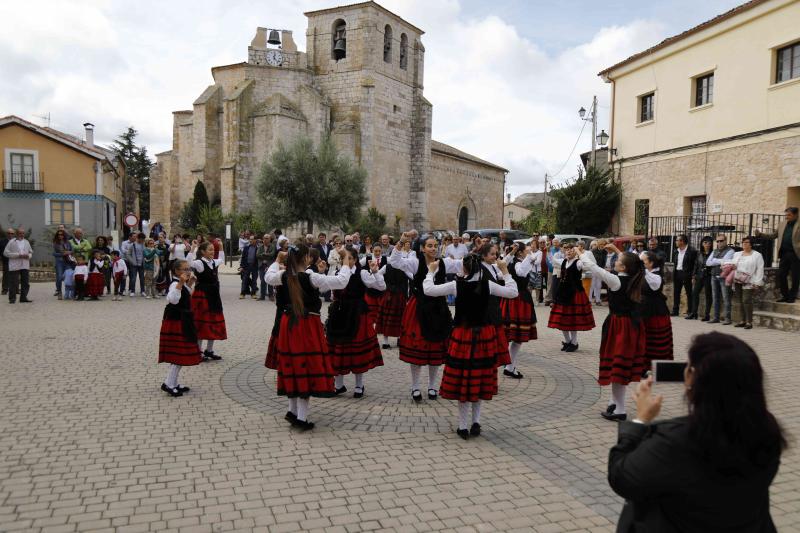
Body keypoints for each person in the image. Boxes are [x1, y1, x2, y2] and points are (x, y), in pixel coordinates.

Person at [608, 332, 786, 532]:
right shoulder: (767, 430)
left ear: (693, 378)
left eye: (689, 367)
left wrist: (640, 420)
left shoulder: (675, 440)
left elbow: (622, 477)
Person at [423, 252, 517, 439]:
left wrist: (430, 272)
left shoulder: (456, 285)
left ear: (465, 268)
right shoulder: (487, 285)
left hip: (463, 335)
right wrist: (505, 271)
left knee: (464, 379)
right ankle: (475, 422)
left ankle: (463, 425)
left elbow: (429, 290)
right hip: (484, 335)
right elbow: (512, 292)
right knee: (479, 377)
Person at [266, 242, 354, 430]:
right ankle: (302, 418)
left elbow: (267, 277)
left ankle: (292, 410)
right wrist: (346, 259)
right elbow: (341, 282)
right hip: (307, 327)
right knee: (306, 366)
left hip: (288, 326)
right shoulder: (311, 277)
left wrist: (276, 261)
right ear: (307, 258)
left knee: (292, 365)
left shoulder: (283, 275)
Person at [388, 233, 464, 402]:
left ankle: (432, 386)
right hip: (419, 308)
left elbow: (463, 264)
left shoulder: (444, 262)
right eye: (429, 246)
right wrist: (400, 242)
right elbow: (395, 261)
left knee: (436, 349)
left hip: (438, 309)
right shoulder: (416, 262)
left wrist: (479, 252)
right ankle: (415, 387)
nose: (433, 248)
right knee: (418, 349)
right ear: (422, 248)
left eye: (435, 245)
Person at [579, 245, 646, 421]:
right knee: (620, 367)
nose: (615, 261)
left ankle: (620, 410)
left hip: (619, 326)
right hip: (630, 326)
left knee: (617, 368)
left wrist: (580, 253)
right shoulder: (634, 278)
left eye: (618, 261)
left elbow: (594, 268)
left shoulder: (617, 280)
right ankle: (615, 403)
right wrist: (618, 251)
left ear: (623, 267)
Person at [327, 247, 385, 398]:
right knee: (339, 348)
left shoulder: (363, 273)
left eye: (350, 258)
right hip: (339, 314)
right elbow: (327, 288)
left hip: (357, 314)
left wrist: (376, 272)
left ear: (355, 259)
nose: (347, 261)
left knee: (357, 350)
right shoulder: (337, 273)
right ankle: (338, 385)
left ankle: (359, 385)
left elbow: (381, 287)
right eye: (344, 258)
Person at [158, 259, 203, 397]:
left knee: (180, 355)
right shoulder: (174, 284)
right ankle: (169, 384)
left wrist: (189, 283)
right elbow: (173, 299)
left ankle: (173, 382)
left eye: (189, 269)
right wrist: (181, 283)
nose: (188, 271)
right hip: (176, 322)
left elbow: (186, 294)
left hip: (183, 321)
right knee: (177, 355)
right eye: (185, 269)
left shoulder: (180, 283)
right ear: (177, 271)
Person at [547, 243, 595, 352]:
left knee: (572, 320)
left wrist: (580, 254)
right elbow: (553, 261)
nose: (568, 251)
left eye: (571, 250)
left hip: (575, 294)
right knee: (562, 319)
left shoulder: (578, 263)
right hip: (563, 293)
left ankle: (574, 342)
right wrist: (548, 251)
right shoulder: (563, 261)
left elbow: (589, 265)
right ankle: (568, 341)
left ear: (575, 252)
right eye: (567, 250)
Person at [500, 243, 537, 379]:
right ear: (520, 253)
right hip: (517, 300)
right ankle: (508, 365)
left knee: (515, 337)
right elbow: (521, 273)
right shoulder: (516, 263)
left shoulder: (518, 261)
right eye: (527, 250)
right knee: (516, 335)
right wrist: (529, 258)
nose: (530, 251)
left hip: (517, 298)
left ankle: (509, 365)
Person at [188, 241, 227, 360]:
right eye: (209, 250)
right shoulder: (199, 263)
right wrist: (193, 248)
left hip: (214, 295)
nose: (212, 252)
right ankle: (198, 352)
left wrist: (221, 246)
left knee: (213, 322)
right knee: (201, 323)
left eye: (212, 249)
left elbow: (222, 259)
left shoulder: (214, 262)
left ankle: (209, 350)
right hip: (202, 296)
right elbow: (188, 262)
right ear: (203, 252)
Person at [640, 251, 673, 371]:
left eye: (643, 261)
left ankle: (658, 367)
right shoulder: (645, 273)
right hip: (643, 309)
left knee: (654, 339)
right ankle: (643, 366)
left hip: (655, 311)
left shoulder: (656, 276)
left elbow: (650, 280)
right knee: (643, 338)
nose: (640, 264)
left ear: (651, 263)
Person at [375, 242, 409, 350]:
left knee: (392, 318)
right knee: (396, 318)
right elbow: (412, 278)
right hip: (395, 295)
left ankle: (390, 341)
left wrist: (384, 285)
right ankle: (393, 341)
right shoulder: (400, 267)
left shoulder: (389, 266)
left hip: (391, 295)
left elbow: (377, 275)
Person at [728, 236, 765, 329]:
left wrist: (757, 282)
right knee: (740, 300)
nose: (744, 244)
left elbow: (760, 269)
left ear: (751, 244)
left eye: (747, 242)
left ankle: (749, 322)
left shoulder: (757, 255)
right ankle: (742, 320)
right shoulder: (737, 254)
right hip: (737, 279)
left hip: (749, 281)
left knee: (746, 300)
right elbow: (732, 264)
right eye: (743, 242)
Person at [706, 234, 735, 324]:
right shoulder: (714, 251)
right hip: (714, 276)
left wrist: (714, 260)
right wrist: (719, 261)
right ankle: (716, 317)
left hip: (724, 277)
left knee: (726, 298)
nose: (719, 243)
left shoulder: (730, 251)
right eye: (717, 241)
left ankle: (727, 318)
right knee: (715, 298)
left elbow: (725, 261)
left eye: (721, 241)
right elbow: (707, 263)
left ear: (726, 241)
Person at [3, 227, 33, 304]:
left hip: (24, 264)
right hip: (14, 265)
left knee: (25, 282)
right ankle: (12, 299)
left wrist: (28, 256)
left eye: (23, 233)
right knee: (13, 282)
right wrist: (18, 255)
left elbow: (30, 252)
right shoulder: (11, 242)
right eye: (20, 233)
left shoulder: (26, 242)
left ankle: (23, 297)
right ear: (16, 233)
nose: (21, 234)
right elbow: (5, 253)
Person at [776, 207, 799, 303]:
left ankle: (792, 296)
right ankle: (785, 295)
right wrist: (761, 235)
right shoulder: (782, 224)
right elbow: (774, 235)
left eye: (789, 215)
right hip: (784, 253)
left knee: (795, 276)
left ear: (796, 215)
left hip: (796, 254)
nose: (787, 217)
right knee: (781, 275)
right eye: (786, 215)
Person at [360, 243, 388, 326]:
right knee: (370, 311)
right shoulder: (367, 258)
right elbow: (357, 264)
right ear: (372, 250)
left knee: (380, 312)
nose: (378, 253)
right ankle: (370, 326)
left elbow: (396, 262)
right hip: (370, 288)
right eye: (376, 251)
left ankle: (379, 328)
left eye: (379, 251)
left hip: (381, 287)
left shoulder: (386, 259)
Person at [687, 236, 714, 320]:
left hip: (708, 276)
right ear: (702, 243)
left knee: (708, 295)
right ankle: (694, 313)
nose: (707, 244)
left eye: (709, 243)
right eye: (705, 242)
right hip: (699, 276)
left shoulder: (713, 253)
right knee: (694, 293)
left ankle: (707, 315)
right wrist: (693, 276)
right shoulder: (699, 253)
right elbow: (696, 265)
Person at [671, 234, 696, 317]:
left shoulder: (691, 251)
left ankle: (690, 312)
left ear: (682, 241)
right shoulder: (676, 251)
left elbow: (695, 264)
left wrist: (693, 275)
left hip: (687, 274)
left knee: (689, 293)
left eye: (677, 240)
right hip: (677, 273)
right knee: (676, 293)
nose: (676, 242)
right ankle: (675, 311)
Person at [52, 228, 72, 300]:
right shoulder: (55, 243)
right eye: (59, 234)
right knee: (59, 277)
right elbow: (54, 253)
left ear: (64, 235)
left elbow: (72, 250)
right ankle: (59, 292)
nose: (60, 236)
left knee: (69, 276)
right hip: (59, 262)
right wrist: (62, 254)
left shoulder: (68, 242)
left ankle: (69, 292)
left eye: (62, 234)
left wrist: (69, 252)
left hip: (67, 261)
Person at [239, 234, 259, 299]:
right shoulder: (246, 248)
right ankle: (242, 293)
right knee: (244, 280)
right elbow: (243, 257)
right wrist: (241, 266)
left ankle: (253, 293)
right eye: (250, 239)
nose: (250, 240)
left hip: (254, 266)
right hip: (246, 266)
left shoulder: (258, 248)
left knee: (254, 280)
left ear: (255, 240)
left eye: (252, 239)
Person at [125, 233, 146, 297]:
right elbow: (128, 254)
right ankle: (132, 291)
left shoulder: (144, 245)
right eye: (141, 239)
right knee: (133, 278)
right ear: (138, 238)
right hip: (134, 264)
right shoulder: (133, 245)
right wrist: (132, 261)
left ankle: (142, 291)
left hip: (141, 264)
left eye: (143, 239)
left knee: (142, 278)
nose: (142, 241)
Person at [258, 234, 276, 301]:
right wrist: (266, 255)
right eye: (264, 238)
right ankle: (262, 296)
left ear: (270, 239)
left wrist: (263, 254)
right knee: (262, 281)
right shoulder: (260, 247)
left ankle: (271, 295)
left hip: (269, 266)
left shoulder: (272, 246)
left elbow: (272, 254)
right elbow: (257, 255)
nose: (265, 239)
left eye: (267, 238)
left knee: (270, 281)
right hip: (262, 265)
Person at [544, 238, 561, 305]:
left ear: (559, 243)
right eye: (554, 242)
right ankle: (548, 299)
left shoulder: (561, 250)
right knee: (550, 284)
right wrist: (551, 267)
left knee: (557, 285)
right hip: (551, 269)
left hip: (559, 269)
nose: (555, 244)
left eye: (556, 242)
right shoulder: (550, 250)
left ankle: (556, 298)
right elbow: (548, 259)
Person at [590, 239, 607, 305]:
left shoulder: (605, 252)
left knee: (599, 285)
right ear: (598, 244)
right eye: (601, 244)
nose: (602, 246)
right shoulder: (593, 251)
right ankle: (590, 300)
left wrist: (602, 268)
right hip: (593, 269)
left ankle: (598, 300)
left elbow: (604, 261)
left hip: (600, 269)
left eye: (603, 244)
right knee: (592, 285)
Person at [0, 228, 12, 295]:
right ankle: (5, 289)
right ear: (7, 234)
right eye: (9, 233)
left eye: (12, 233)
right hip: (6, 261)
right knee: (6, 275)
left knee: (15, 276)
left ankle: (15, 289)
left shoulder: (15, 241)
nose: (10, 235)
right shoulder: (2, 241)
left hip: (14, 261)